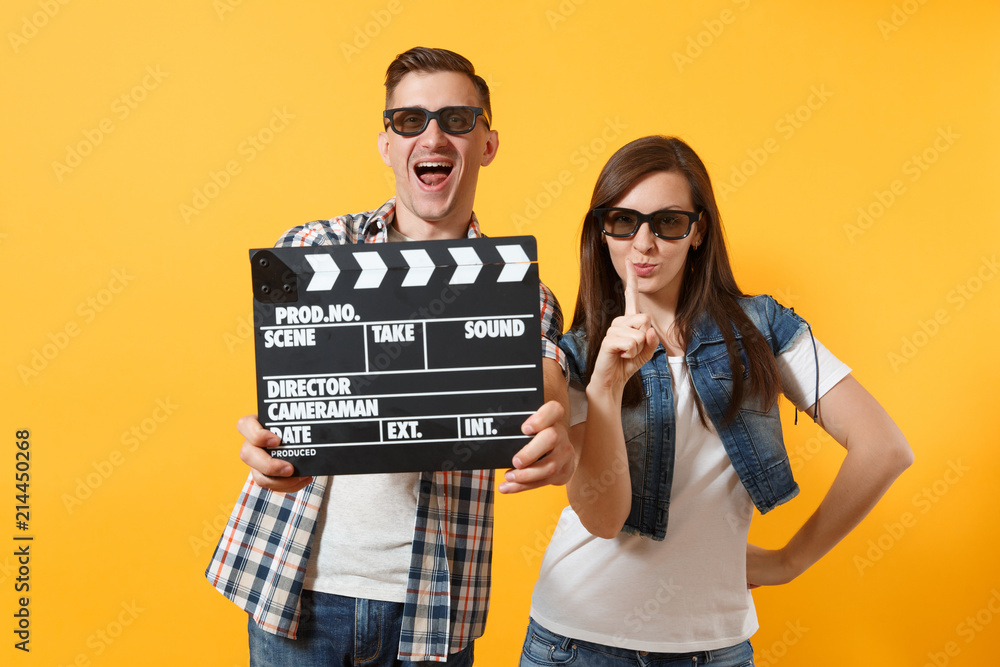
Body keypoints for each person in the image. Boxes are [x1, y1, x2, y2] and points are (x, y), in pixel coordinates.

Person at [205, 47, 576, 666]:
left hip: (431, 605)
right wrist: (263, 446)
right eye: (410, 121)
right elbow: (285, 389)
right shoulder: (311, 248)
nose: (433, 135)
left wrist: (555, 436)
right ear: (387, 144)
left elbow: (544, 381)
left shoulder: (520, 292)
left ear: (487, 143)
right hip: (293, 582)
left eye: (458, 119)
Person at [520, 136, 913, 666]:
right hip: (576, 643)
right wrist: (607, 385)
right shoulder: (579, 355)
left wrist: (790, 561)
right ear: (603, 231)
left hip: (714, 648)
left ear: (697, 231)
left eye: (668, 223)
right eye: (623, 221)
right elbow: (602, 519)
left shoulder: (763, 329)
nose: (644, 244)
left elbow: (884, 447)